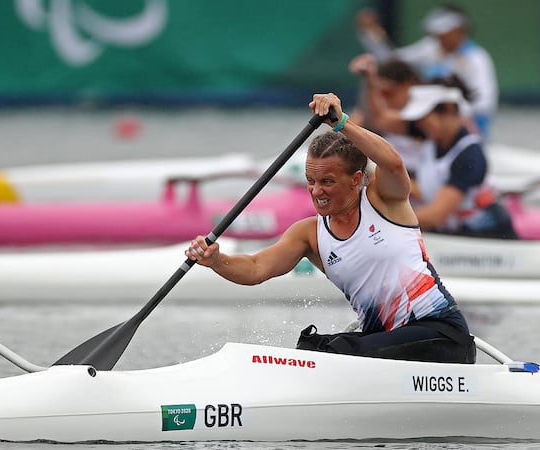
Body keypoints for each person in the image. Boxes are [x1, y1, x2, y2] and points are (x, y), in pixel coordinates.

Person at [186, 93, 475, 364]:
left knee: (333, 352)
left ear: (355, 179)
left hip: (441, 335)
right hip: (384, 347)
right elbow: (255, 268)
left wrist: (342, 123)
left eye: (327, 181)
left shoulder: (383, 199)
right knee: (310, 348)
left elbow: (393, 162)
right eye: (311, 181)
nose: (316, 191)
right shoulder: (309, 234)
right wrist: (215, 260)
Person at [350, 3, 498, 137]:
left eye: (444, 32)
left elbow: (484, 103)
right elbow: (394, 60)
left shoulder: (477, 59)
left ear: (459, 30)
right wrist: (372, 36)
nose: (438, 37)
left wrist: (447, 109)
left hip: (463, 128)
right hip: (429, 124)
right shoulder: (431, 47)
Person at [401, 84, 517, 239]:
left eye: (423, 118)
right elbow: (379, 120)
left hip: (488, 236)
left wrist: (388, 221)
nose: (419, 124)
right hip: (456, 235)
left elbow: (436, 215)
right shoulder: (429, 143)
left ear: (448, 110)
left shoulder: (470, 154)